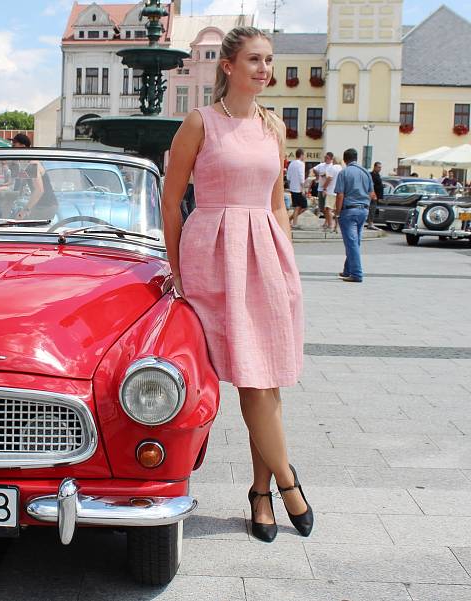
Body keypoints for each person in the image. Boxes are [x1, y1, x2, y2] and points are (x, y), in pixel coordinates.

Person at [162, 26, 313, 543]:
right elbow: (171, 201)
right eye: (254, 59)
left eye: (269, 60)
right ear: (228, 66)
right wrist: (176, 267)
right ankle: (287, 482)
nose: (264, 69)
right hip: (215, 254)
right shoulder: (200, 122)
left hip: (265, 255)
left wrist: (287, 267)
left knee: (263, 376)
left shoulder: (274, 126)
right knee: (252, 376)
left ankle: (261, 492)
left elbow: (275, 205)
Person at [334, 148, 376, 283]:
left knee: (351, 243)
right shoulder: (366, 173)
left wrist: (338, 212)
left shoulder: (344, 173)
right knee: (354, 241)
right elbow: (371, 194)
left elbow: (340, 195)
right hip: (363, 210)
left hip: (349, 210)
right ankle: (348, 270)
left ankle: (356, 273)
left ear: (345, 160)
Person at [12, 133, 57, 221]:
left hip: (45, 207)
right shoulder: (29, 162)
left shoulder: (32, 163)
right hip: (44, 205)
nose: (12, 148)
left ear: (23, 146)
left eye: (14, 145)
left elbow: (39, 190)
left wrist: (24, 211)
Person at [288, 148, 307, 228]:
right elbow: (301, 176)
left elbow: (288, 177)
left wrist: (290, 186)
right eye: (304, 155)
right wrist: (303, 189)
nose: (305, 157)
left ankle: (291, 220)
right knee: (303, 206)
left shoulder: (291, 163)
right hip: (298, 188)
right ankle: (294, 222)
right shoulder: (301, 164)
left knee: (297, 206)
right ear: (301, 155)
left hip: (292, 187)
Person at [323, 153, 342, 232]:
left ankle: (330, 225)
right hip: (339, 192)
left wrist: (324, 187)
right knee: (337, 210)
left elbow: (329, 179)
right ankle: (336, 227)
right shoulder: (342, 168)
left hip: (331, 191)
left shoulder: (332, 168)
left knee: (328, 209)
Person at [311, 152, 333, 218]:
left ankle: (328, 221)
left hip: (328, 189)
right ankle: (327, 219)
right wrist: (317, 174)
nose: (325, 159)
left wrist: (325, 175)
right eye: (325, 158)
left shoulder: (332, 166)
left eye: (327, 158)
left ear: (331, 159)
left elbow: (330, 177)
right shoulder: (321, 165)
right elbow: (314, 169)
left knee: (327, 207)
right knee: (321, 206)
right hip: (320, 187)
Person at [368, 161, 383, 230]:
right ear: (375, 167)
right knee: (371, 209)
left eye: (380, 167)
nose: (380, 169)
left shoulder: (377, 175)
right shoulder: (372, 175)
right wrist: (373, 194)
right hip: (373, 196)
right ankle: (370, 223)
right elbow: (371, 186)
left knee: (373, 210)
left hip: (376, 196)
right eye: (378, 167)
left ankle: (370, 223)